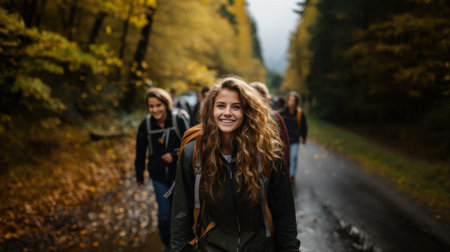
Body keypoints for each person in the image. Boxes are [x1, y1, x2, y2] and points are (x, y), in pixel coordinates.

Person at [171, 76, 300, 251]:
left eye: (236, 107)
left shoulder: (269, 153)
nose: (227, 113)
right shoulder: (193, 154)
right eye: (221, 105)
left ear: (247, 111)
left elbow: (285, 214)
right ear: (211, 109)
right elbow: (181, 213)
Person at [134, 87, 188, 251]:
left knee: (180, 212)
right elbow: (140, 151)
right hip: (158, 177)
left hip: (179, 175)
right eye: (151, 106)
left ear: (166, 104)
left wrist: (174, 154)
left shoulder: (178, 120)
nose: (155, 109)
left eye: (158, 105)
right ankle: (167, 245)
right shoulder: (146, 125)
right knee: (164, 215)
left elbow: (190, 146)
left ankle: (183, 243)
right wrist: (139, 176)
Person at [249, 81, 290, 171]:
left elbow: (284, 143)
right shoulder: (244, 116)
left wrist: (285, 168)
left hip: (271, 167)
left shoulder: (274, 117)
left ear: (264, 98)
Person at [279, 91, 308, 184]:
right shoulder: (282, 112)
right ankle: (284, 175)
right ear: (287, 101)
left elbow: (304, 126)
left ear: (296, 102)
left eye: (293, 100)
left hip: (295, 139)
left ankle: (291, 175)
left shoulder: (299, 113)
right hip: (284, 139)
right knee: (284, 157)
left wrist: (304, 137)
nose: (291, 102)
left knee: (294, 157)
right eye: (290, 100)